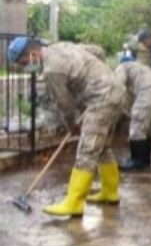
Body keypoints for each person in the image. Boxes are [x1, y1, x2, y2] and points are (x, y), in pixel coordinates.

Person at [6, 38, 125, 216]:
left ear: (31, 54)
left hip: (102, 99)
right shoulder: (61, 46)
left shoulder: (51, 70)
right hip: (115, 91)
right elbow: (97, 50)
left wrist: (71, 124)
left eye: (22, 63)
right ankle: (110, 192)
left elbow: (64, 103)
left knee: (87, 149)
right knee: (102, 147)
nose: (24, 67)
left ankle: (74, 203)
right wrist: (100, 75)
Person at [115, 56, 151, 170]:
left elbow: (118, 86)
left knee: (137, 128)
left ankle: (136, 161)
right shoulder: (143, 69)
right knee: (148, 129)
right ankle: (145, 160)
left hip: (148, 92)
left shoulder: (123, 66)